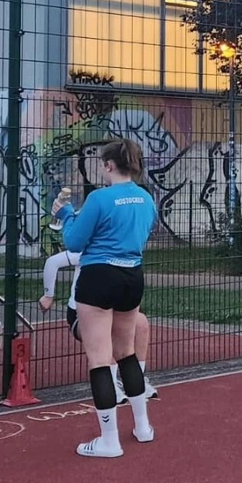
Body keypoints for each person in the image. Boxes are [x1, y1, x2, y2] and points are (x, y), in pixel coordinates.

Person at [53, 138, 158, 457]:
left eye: (102, 164)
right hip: (132, 275)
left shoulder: (99, 198)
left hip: (99, 276)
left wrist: (66, 215)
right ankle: (143, 427)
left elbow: (74, 242)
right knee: (126, 353)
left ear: (109, 165)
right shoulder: (146, 198)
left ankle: (109, 441)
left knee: (100, 359)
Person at [39, 248, 158, 401]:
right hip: (82, 313)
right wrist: (48, 295)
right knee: (109, 330)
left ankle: (137, 380)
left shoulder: (125, 252)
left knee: (141, 323)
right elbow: (52, 262)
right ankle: (111, 383)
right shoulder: (88, 250)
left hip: (112, 309)